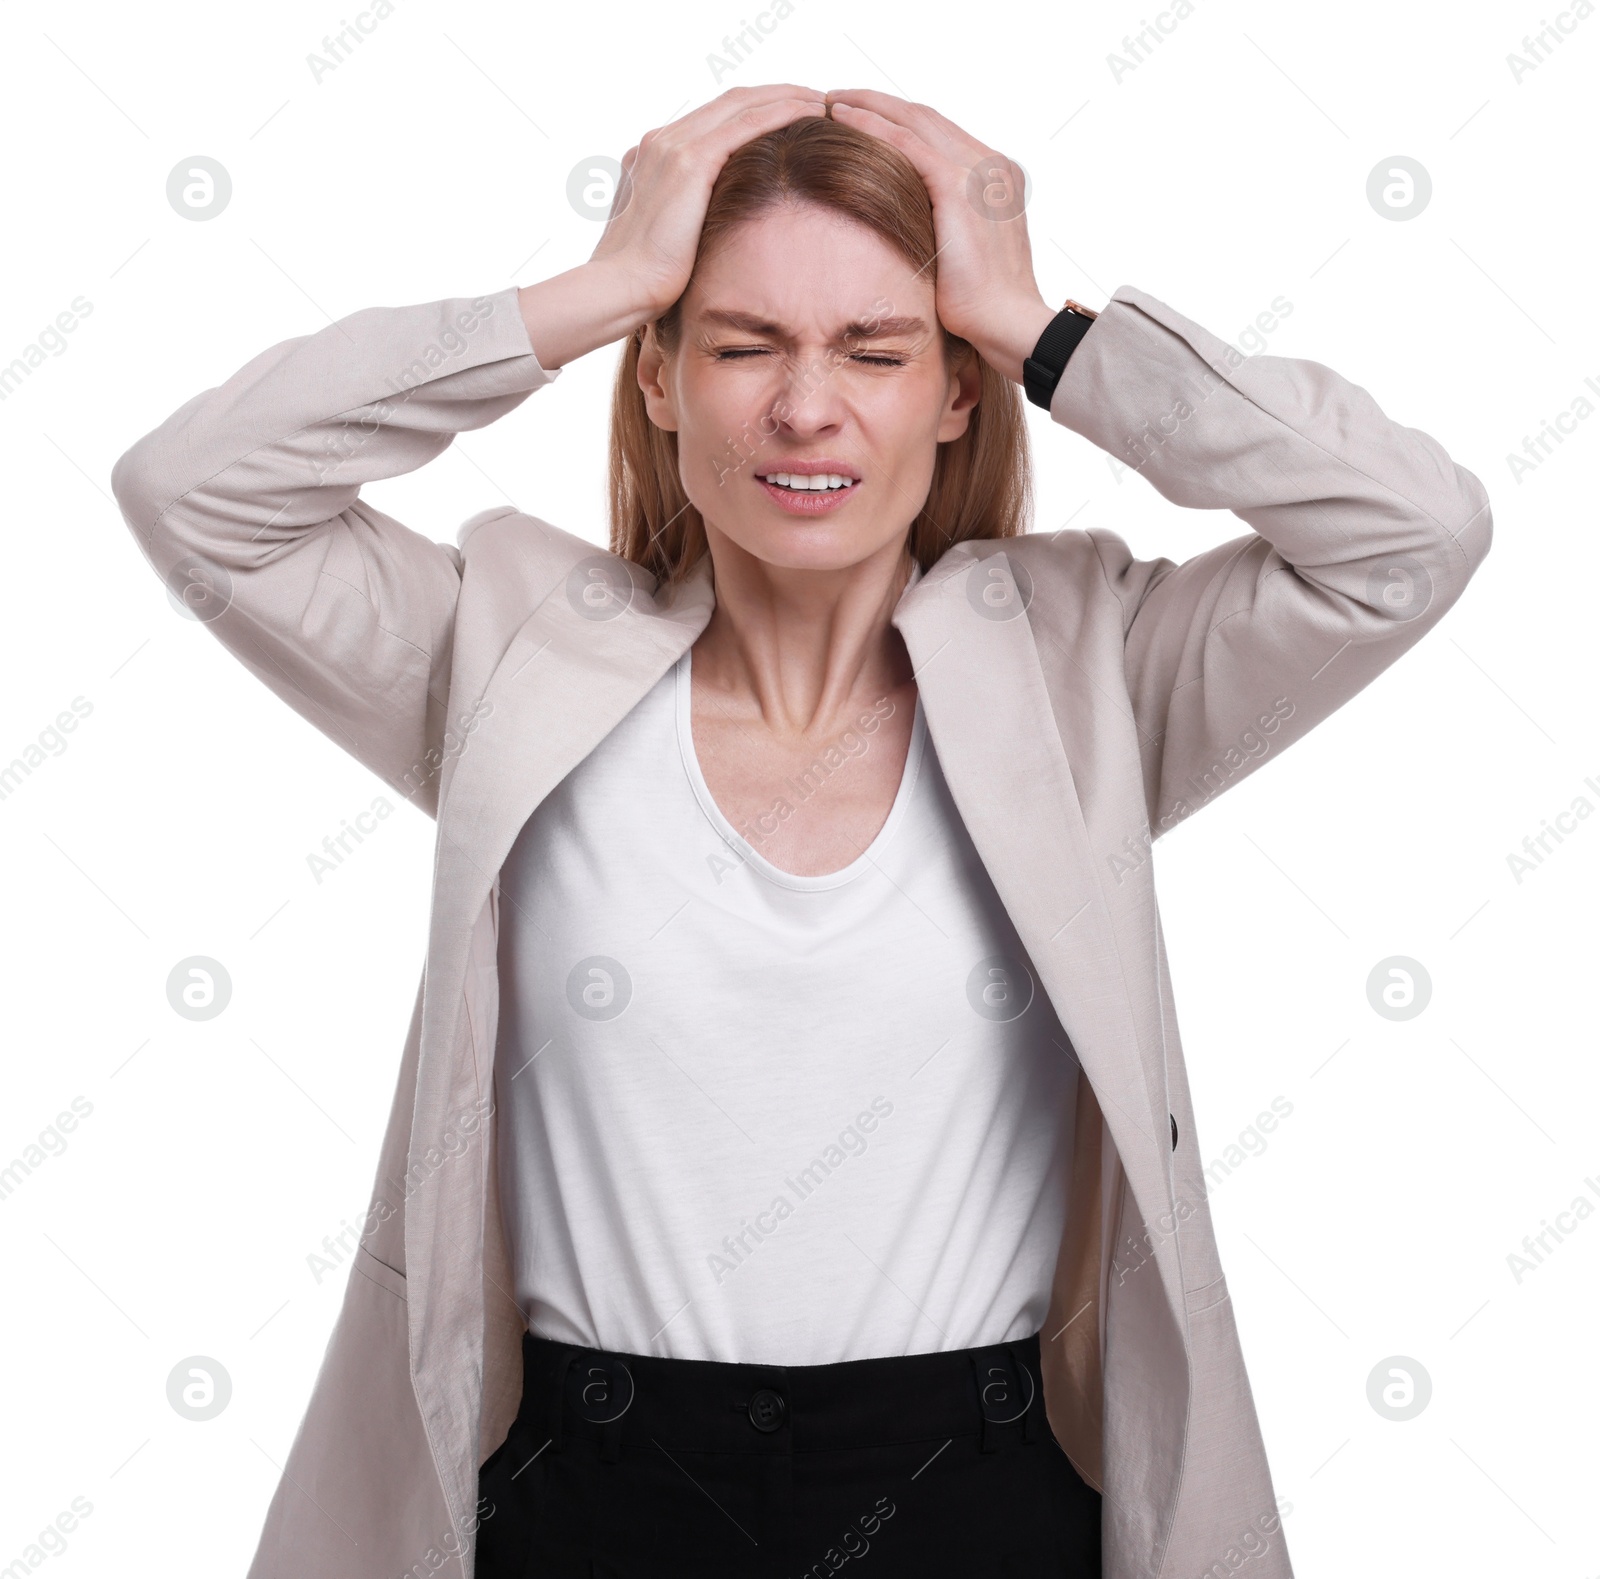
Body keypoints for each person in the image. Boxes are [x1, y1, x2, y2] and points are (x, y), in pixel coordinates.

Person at [111, 84, 1491, 1579]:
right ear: (661, 380)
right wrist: (591, 291)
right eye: (741, 342)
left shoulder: (1083, 677)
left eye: (878, 350)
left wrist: (1038, 324)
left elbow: (1411, 536)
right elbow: (193, 494)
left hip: (978, 1496)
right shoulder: (513, 660)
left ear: (956, 391)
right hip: (591, 1496)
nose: (805, 406)